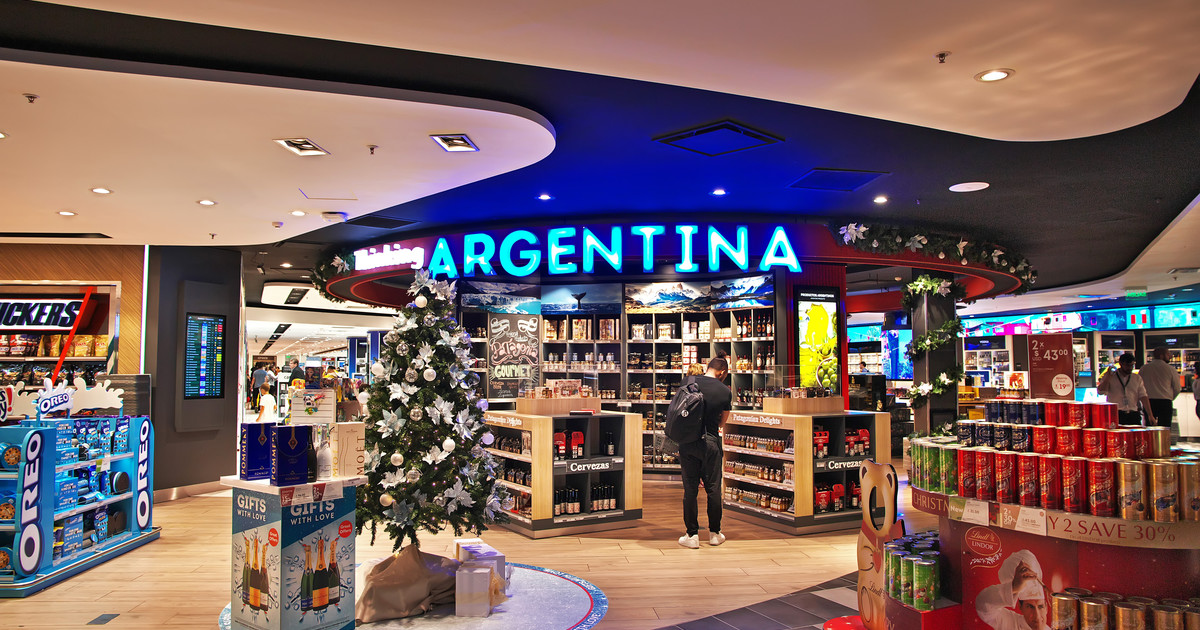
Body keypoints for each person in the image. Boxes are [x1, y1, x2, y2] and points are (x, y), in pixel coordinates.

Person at [678, 355, 733, 549]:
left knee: (690, 490)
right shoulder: (725, 391)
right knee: (713, 489)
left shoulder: (688, 382)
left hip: (687, 442)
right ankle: (715, 534)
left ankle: (692, 535)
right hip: (710, 442)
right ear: (722, 372)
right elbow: (722, 423)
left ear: (708, 367)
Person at [976, 550, 1049, 630]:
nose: (1037, 616)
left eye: (1040, 606)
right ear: (1020, 606)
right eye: (1030, 606)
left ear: (1046, 608)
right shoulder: (1009, 622)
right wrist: (1013, 588)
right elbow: (983, 604)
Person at [1096, 353, 1155, 426]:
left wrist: (1150, 415)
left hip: (1133, 414)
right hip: (1116, 413)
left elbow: (1143, 396)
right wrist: (1108, 377)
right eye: (1127, 365)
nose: (1130, 368)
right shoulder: (1111, 376)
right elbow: (1101, 391)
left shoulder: (1136, 378)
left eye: (1132, 365)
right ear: (1120, 364)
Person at [1139, 346, 1180, 429]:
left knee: (1149, 428)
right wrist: (1170, 398)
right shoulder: (1170, 369)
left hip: (1149, 402)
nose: (1170, 356)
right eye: (1168, 354)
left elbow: (1139, 387)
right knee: (1165, 428)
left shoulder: (1144, 368)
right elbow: (1177, 388)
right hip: (1165, 402)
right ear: (1161, 355)